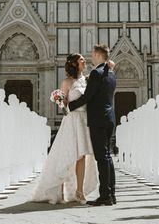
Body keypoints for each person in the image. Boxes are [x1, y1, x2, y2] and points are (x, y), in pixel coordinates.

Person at [31, 53, 107, 204]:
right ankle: (59, 190)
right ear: (74, 64)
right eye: (81, 60)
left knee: (82, 156)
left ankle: (79, 191)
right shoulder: (67, 82)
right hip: (72, 121)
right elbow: (63, 105)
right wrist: (59, 101)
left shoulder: (87, 80)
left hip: (85, 120)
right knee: (69, 155)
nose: (84, 61)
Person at [68, 44, 117, 206]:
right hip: (110, 118)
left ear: (98, 54)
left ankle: (105, 196)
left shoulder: (97, 73)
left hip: (98, 120)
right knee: (108, 156)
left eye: (92, 54)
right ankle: (111, 194)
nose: (90, 57)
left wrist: (71, 106)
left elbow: (88, 96)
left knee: (102, 158)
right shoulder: (110, 73)